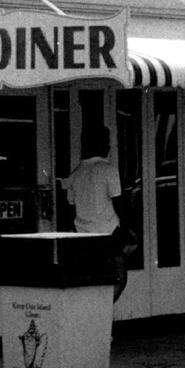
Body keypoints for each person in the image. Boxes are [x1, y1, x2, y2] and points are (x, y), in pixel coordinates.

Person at [63, 126, 126, 298]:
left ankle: (95, 310)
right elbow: (118, 202)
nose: (109, 147)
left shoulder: (75, 174)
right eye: (107, 142)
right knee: (118, 279)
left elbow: (71, 208)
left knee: (93, 279)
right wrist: (126, 228)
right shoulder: (108, 170)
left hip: (83, 236)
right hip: (108, 233)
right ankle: (104, 310)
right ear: (100, 145)